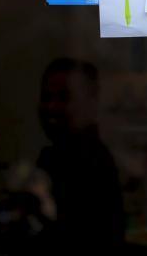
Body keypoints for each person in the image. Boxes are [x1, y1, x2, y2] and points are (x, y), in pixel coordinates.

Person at [34, 58, 125, 255]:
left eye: (64, 97)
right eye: (46, 97)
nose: (51, 107)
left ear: (90, 104)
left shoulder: (90, 162)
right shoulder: (55, 156)